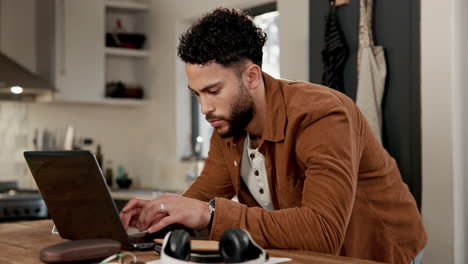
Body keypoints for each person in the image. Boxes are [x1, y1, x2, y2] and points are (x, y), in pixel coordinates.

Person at [120, 7, 427, 264]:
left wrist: (208, 214)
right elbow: (199, 199)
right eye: (197, 94)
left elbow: (323, 231)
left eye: (213, 91)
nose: (205, 108)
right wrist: (158, 213)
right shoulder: (229, 127)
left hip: (379, 254)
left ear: (251, 77)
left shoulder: (323, 115)